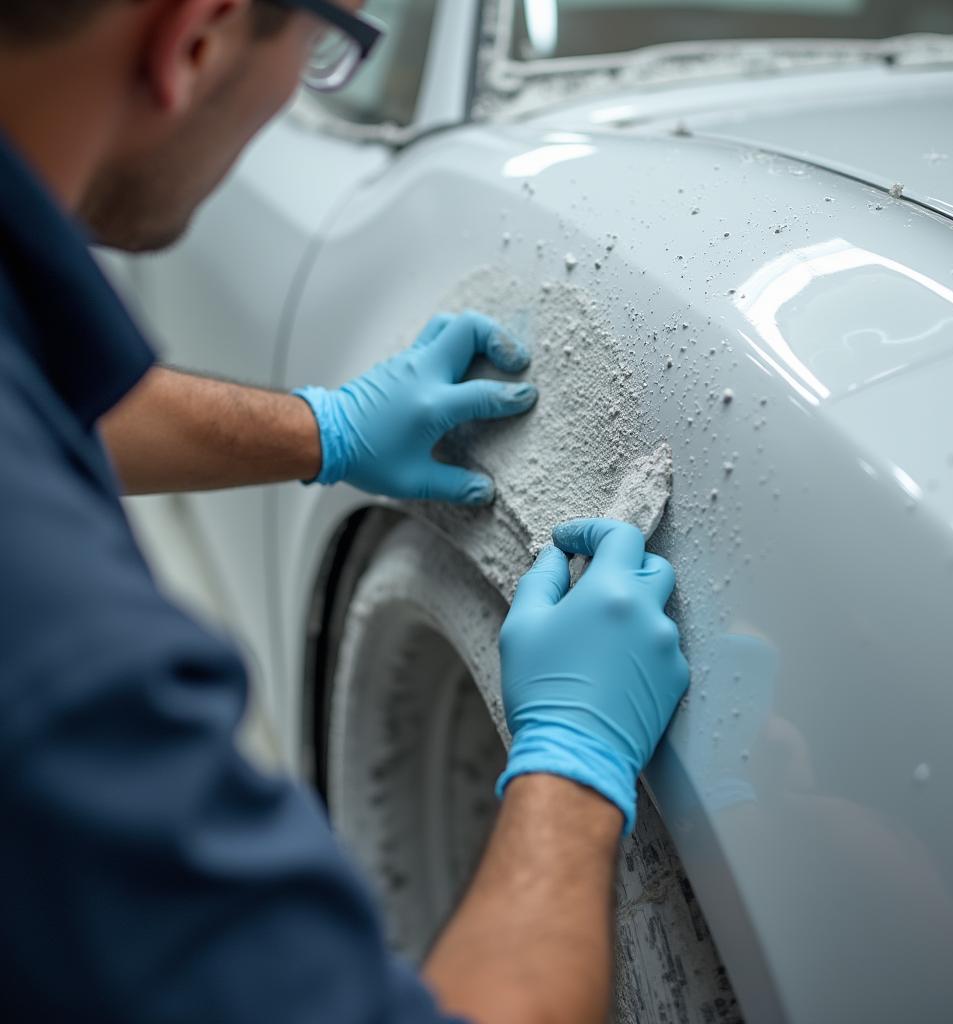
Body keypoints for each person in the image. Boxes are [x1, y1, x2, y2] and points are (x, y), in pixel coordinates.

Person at [0, 2, 690, 1022]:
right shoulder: (61, 666)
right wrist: (572, 765)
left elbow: (47, 402)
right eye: (326, 46)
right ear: (197, 35)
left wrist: (325, 429)